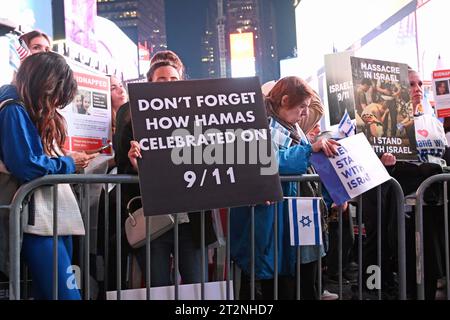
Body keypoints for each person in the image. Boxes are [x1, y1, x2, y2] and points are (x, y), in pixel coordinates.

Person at [229, 76, 340, 300]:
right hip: (278, 226)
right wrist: (309, 151)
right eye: (302, 107)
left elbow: (309, 172)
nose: (305, 113)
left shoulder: (292, 127)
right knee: (284, 286)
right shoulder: (260, 126)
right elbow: (268, 159)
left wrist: (333, 194)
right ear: (285, 100)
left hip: (299, 221)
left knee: (306, 281)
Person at [0, 52, 97, 299]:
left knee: (53, 292)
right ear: (46, 84)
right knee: (66, 294)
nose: (54, 104)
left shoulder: (18, 106)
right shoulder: (13, 108)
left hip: (48, 216)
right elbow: (27, 165)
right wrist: (68, 162)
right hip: (36, 220)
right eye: (54, 97)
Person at [117, 51, 216, 288]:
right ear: (149, 84)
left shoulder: (198, 115)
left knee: (197, 287)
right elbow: (122, 167)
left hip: (190, 221)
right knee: (157, 286)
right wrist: (136, 166)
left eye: (174, 80)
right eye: (161, 80)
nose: (168, 85)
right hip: (152, 220)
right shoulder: (130, 117)